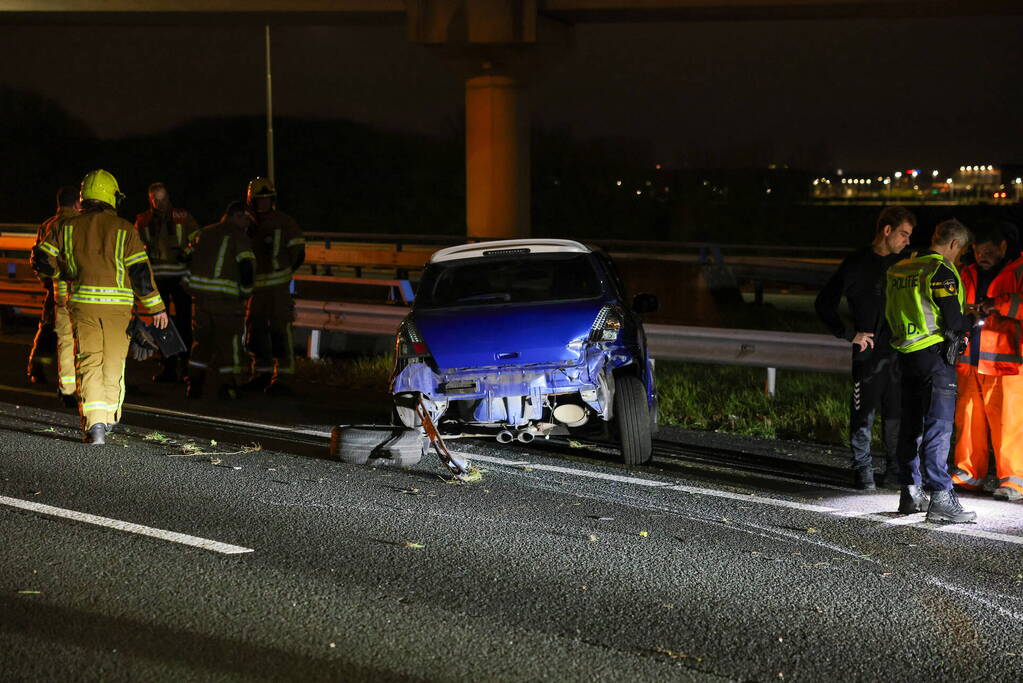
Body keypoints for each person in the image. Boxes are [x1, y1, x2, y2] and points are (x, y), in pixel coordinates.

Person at [37, 169, 167, 444]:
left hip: (82, 303)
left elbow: (41, 260)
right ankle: (109, 417)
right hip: (117, 308)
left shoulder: (65, 227)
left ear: (84, 198)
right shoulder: (124, 229)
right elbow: (140, 274)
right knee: (113, 361)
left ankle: (94, 425)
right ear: (112, 197)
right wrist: (157, 309)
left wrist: (63, 274)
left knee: (88, 360)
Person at [885, 218, 977, 523]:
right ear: (953, 244)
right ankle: (940, 497)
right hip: (935, 357)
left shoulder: (900, 268)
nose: (959, 259)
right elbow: (952, 321)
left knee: (911, 426)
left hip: (905, 354)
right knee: (938, 427)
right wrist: (971, 322)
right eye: (961, 253)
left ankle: (909, 493)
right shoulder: (940, 270)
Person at [815, 206, 914, 490]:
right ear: (887, 230)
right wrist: (849, 334)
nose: (907, 241)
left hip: (899, 354)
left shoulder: (905, 263)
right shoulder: (857, 263)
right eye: (903, 234)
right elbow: (824, 304)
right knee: (864, 413)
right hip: (868, 355)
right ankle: (863, 471)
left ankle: (895, 472)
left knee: (896, 413)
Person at [953, 223, 1023, 503]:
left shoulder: (1018, 271)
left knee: (1009, 423)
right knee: (968, 420)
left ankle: (1013, 481)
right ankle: (968, 475)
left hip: (1007, 363)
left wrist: (999, 304)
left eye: (990, 251)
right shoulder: (966, 272)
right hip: (970, 360)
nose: (984, 256)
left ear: (1004, 248)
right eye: (979, 250)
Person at [182, 201, 256, 400]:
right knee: (229, 345)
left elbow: (185, 257)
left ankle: (194, 385)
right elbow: (247, 267)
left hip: (201, 300)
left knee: (201, 345)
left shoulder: (202, 233)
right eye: (247, 219)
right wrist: (246, 292)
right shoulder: (238, 236)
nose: (248, 224)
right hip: (226, 302)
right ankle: (229, 387)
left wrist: (189, 285)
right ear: (238, 215)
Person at [243, 177, 305, 395]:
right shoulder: (245, 224)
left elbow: (299, 253)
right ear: (251, 201)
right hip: (256, 290)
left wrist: (284, 272)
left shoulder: (285, 222)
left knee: (281, 332)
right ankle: (261, 373)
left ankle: (284, 378)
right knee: (255, 332)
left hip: (278, 289)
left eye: (266, 199)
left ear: (273, 199)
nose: (263, 204)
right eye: (259, 200)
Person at [134, 182, 199, 382]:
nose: (160, 204)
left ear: (168, 198)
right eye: (156, 201)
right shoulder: (143, 221)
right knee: (162, 325)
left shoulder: (182, 217)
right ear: (151, 200)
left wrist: (187, 254)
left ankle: (187, 365)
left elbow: (198, 238)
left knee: (184, 322)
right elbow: (134, 247)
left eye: (163, 200)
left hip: (180, 278)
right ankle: (169, 367)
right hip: (158, 280)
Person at [28, 186, 79, 407]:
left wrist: (46, 282)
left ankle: (36, 368)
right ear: (76, 203)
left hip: (53, 286)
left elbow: (37, 256)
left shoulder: (47, 224)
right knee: (58, 332)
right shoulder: (78, 224)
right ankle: (38, 368)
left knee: (49, 327)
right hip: (68, 287)